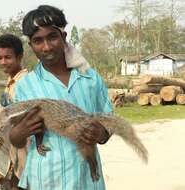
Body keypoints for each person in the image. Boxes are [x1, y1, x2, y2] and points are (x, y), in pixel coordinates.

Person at [9, 5, 113, 190]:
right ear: (31, 45)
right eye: (38, 41)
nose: (47, 47)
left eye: (52, 37)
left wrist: (102, 134)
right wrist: (20, 132)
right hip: (46, 180)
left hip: (88, 180)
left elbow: (108, 121)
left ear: (64, 37)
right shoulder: (26, 86)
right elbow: (17, 140)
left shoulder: (90, 78)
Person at [0, 34, 27, 190]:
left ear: (20, 57)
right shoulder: (11, 81)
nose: (3, 62)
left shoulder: (24, 82)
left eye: (8, 57)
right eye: (0, 58)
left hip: (20, 154)